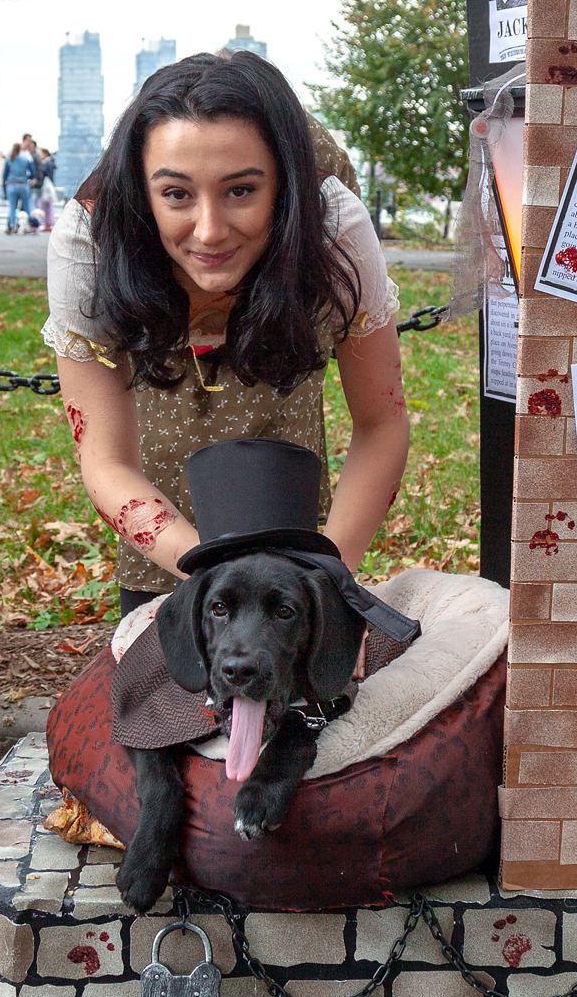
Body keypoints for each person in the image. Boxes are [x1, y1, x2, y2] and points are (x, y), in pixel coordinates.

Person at [48, 51, 408, 614]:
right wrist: (209, 572)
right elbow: (107, 460)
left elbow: (381, 423)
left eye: (241, 191)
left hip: (281, 323)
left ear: (284, 188)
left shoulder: (332, 228)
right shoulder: (90, 242)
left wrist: (326, 579)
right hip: (155, 353)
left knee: (278, 486)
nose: (210, 231)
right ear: (142, 193)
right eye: (176, 194)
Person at [2, 139, 35, 234]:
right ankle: (28, 226)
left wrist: (4, 187)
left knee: (12, 207)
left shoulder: (9, 159)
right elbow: (33, 173)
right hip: (24, 185)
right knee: (26, 206)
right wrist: (27, 178)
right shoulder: (26, 160)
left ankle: (12, 226)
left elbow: (4, 175)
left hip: (11, 184)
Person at [35, 145, 58, 231]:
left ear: (45, 153)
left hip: (46, 188)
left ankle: (47, 224)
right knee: (48, 206)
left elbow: (45, 174)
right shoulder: (49, 162)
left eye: (40, 153)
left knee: (45, 206)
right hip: (48, 187)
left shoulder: (47, 163)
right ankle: (47, 224)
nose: (39, 155)